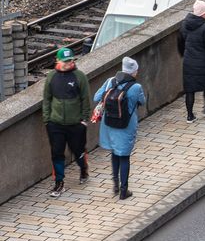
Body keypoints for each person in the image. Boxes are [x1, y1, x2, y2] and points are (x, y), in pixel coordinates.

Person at [93, 57, 146, 200]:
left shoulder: (110, 81)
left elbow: (96, 97)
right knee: (124, 156)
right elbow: (142, 101)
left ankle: (115, 185)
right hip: (126, 126)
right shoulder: (136, 87)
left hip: (109, 124)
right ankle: (124, 191)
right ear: (134, 72)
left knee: (115, 153)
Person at [42, 47, 90, 198]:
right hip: (55, 124)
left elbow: (85, 99)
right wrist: (47, 120)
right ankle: (59, 183)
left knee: (78, 151)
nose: (68, 64)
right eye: (65, 61)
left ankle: (83, 169)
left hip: (75, 124)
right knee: (57, 154)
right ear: (57, 61)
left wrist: (84, 120)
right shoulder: (51, 77)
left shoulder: (79, 76)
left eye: (70, 61)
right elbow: (47, 99)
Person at [178, 0, 205, 123]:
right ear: (202, 13)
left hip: (189, 63)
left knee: (189, 90)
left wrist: (184, 56)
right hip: (204, 63)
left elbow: (180, 43)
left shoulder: (184, 24)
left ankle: (190, 116)